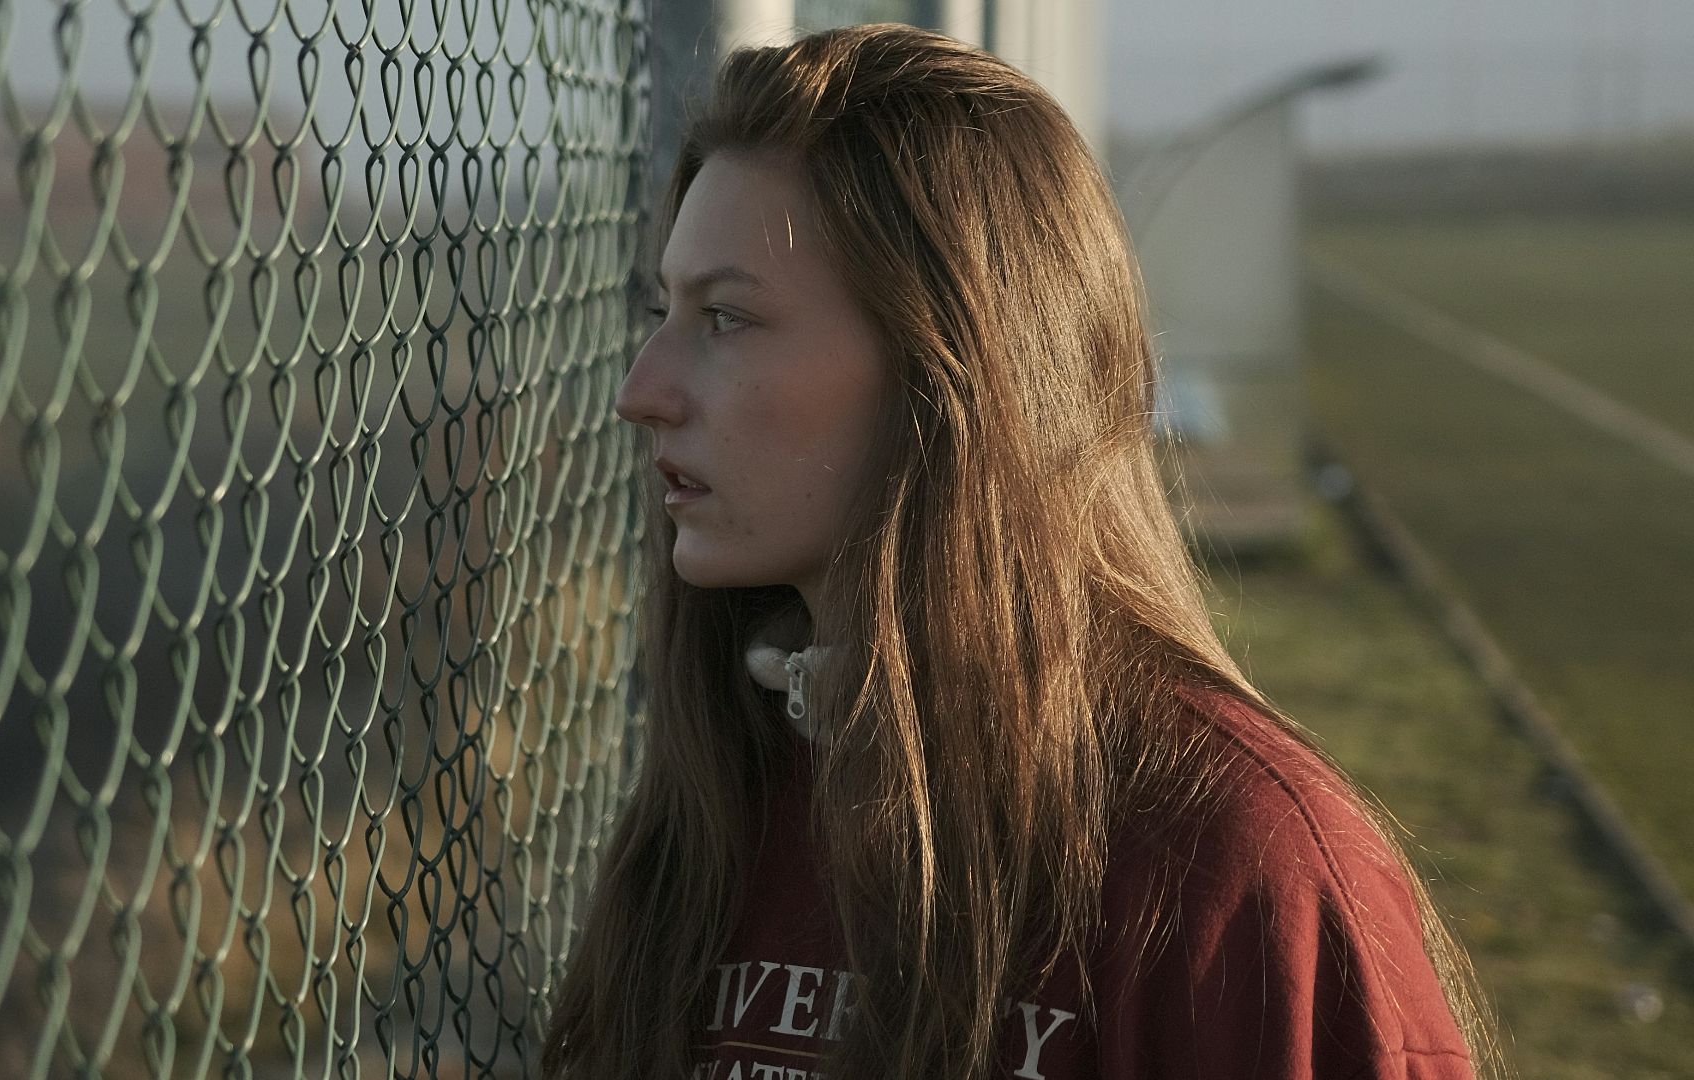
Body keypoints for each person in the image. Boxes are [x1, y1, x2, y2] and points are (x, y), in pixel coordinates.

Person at [545, 23, 1503, 1080]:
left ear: (950, 379)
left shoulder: (1232, 869)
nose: (642, 391)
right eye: (661, 311)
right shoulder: (722, 809)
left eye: (724, 317)